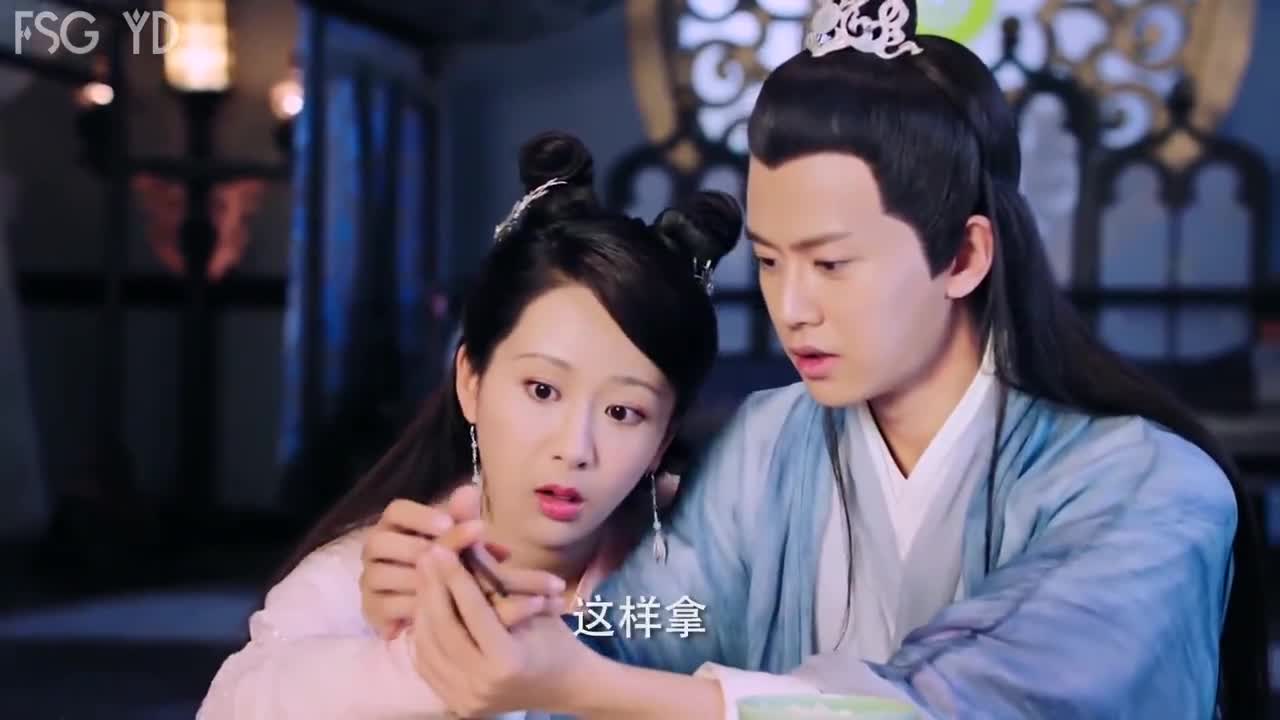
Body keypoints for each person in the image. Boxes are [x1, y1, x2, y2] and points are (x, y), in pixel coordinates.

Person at [362, 1, 1269, 718]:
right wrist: (480, 599)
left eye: (831, 264)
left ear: (964, 256)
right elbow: (640, 633)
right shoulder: (769, 441)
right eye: (768, 261)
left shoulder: (1155, 490)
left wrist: (574, 682)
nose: (791, 307)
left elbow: (959, 705)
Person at [194, 130, 741, 719]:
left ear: (662, 440)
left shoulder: (707, 569)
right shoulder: (373, 573)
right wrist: (426, 654)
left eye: (622, 412)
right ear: (471, 383)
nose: (575, 448)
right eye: (542, 390)